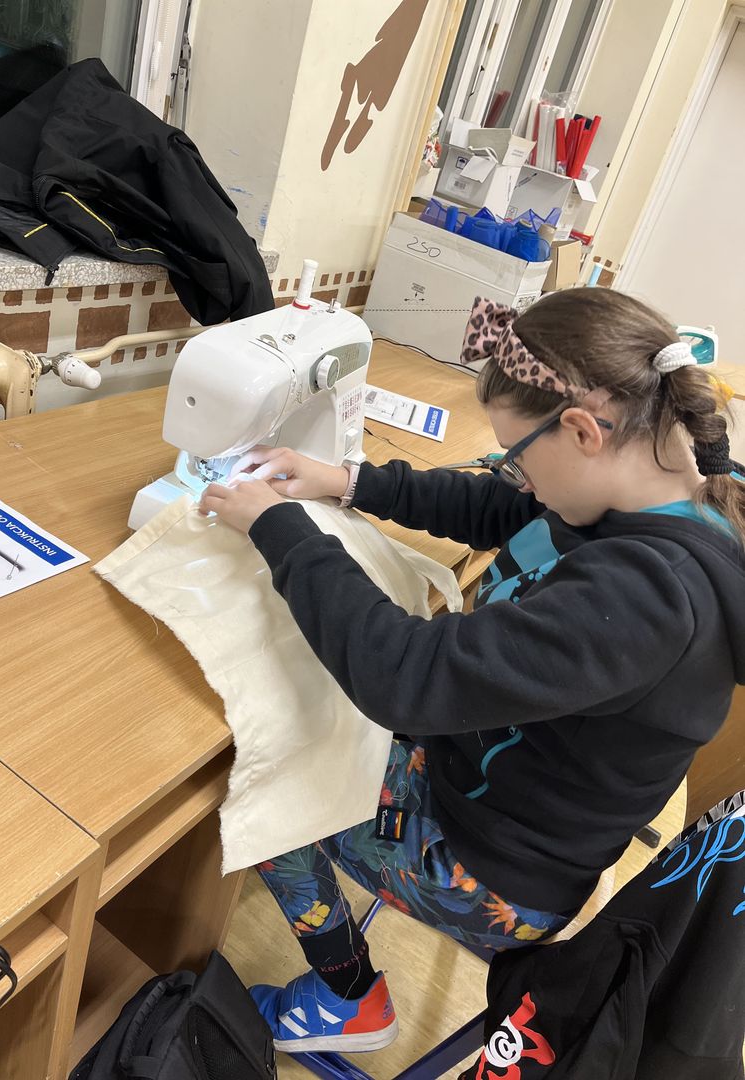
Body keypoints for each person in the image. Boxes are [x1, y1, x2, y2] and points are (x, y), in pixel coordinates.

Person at [200, 289, 745, 1055]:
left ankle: (348, 995)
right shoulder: (656, 492)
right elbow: (499, 509)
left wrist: (279, 529)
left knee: (263, 779)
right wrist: (346, 482)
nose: (514, 476)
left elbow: (405, 677)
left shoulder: (648, 600)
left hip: (493, 868)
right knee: (306, 697)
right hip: (490, 786)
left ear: (583, 431)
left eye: (517, 456)